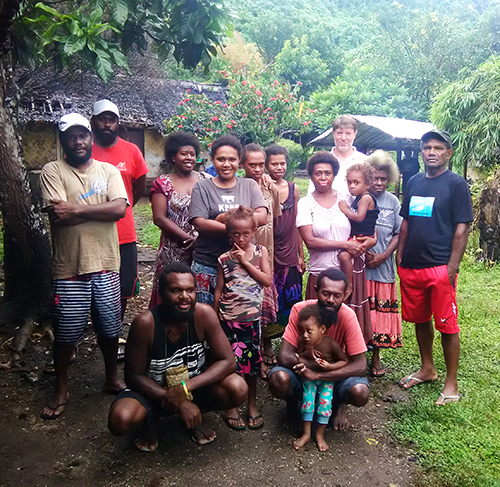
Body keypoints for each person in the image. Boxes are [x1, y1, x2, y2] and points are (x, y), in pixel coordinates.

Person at [39, 113, 128, 419]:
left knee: (108, 329)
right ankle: (61, 388)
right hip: (70, 268)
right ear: (63, 140)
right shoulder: (52, 170)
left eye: (82, 136)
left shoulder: (108, 170)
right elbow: (57, 215)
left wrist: (75, 208)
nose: (78, 142)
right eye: (71, 136)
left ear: (90, 138)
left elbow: (119, 209)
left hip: (105, 264)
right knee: (65, 335)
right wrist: (99, 210)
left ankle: (110, 378)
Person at [108, 262, 248, 451]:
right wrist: (177, 400)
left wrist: (185, 389)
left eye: (190, 290)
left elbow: (228, 361)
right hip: (153, 392)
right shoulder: (145, 323)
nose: (185, 297)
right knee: (120, 419)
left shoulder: (204, 314)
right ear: (162, 292)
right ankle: (152, 420)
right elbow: (133, 377)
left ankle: (194, 418)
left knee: (238, 387)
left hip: (192, 387)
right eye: (176, 290)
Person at [397, 129, 473, 405]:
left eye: (438, 148)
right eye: (427, 147)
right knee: (420, 319)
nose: (431, 152)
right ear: (421, 152)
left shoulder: (456, 184)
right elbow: (406, 221)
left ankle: (450, 384)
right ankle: (427, 368)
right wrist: (400, 255)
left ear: (448, 153)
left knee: (447, 325)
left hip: (440, 267)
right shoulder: (414, 182)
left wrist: (451, 267)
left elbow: (462, 227)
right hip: (412, 266)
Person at [268, 268, 370, 431]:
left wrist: (319, 373)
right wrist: (314, 366)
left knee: (360, 391)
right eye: (326, 293)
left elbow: (361, 365)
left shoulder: (348, 315)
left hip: (333, 378)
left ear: (345, 296)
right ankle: (292, 404)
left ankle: (338, 405)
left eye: (337, 295)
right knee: (278, 378)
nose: (331, 300)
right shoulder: (300, 310)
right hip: (304, 376)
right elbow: (285, 357)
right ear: (316, 291)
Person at [188, 135, 267, 305]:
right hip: (207, 264)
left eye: (232, 159)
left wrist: (224, 219)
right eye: (221, 159)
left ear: (239, 161)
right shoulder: (202, 187)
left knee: (238, 317)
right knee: (206, 316)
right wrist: (240, 228)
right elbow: (199, 223)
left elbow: (262, 216)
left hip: (243, 265)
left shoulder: (249, 185)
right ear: (212, 160)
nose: (226, 164)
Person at [214, 206, 272, 430]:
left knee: (252, 366)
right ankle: (231, 405)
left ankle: (252, 404)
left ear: (254, 230)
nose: (241, 238)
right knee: (231, 365)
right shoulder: (223, 259)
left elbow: (266, 281)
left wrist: (246, 263)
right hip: (229, 320)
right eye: (235, 234)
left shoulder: (260, 253)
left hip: (252, 321)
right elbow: (219, 289)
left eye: (246, 233)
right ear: (229, 233)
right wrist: (215, 315)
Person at [91, 100, 149, 320]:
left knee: (124, 284)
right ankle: (96, 323)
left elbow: (139, 185)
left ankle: (114, 326)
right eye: (102, 119)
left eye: (111, 120)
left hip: (123, 232)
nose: (107, 124)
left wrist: (121, 208)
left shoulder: (131, 150)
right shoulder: (84, 150)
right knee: (93, 280)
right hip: (91, 230)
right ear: (93, 121)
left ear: (117, 123)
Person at [149, 131, 210, 307]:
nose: (189, 157)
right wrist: (188, 238)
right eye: (184, 153)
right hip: (173, 250)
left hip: (203, 250)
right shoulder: (163, 183)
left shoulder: (207, 180)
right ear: (173, 157)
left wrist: (201, 240)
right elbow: (159, 218)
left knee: (199, 293)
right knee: (173, 293)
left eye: (192, 154)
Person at [296, 151, 368, 299]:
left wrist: (368, 242)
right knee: (318, 320)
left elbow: (366, 225)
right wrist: (346, 245)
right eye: (318, 173)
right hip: (321, 273)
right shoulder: (305, 204)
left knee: (345, 320)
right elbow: (310, 241)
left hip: (347, 272)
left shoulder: (346, 198)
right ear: (311, 176)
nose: (323, 177)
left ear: (334, 175)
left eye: (327, 173)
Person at [241, 143, 281, 375]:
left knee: (265, 305)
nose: (257, 169)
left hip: (267, 254)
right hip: (244, 255)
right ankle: (253, 355)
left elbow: (274, 221)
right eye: (252, 164)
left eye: (260, 165)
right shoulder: (237, 187)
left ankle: (266, 345)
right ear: (243, 165)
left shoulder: (271, 188)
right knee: (248, 305)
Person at [365, 151, 403, 377]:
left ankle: (376, 358)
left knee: (380, 314)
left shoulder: (393, 202)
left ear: (389, 179)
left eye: (382, 179)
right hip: (362, 267)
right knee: (362, 311)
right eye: (374, 178)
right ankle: (357, 357)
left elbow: (398, 233)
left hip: (384, 268)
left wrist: (384, 255)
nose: (378, 183)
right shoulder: (359, 198)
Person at [292, 304, 348, 452]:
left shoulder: (329, 344)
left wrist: (329, 367)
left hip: (327, 380)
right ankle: (306, 434)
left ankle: (319, 434)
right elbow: (297, 356)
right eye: (302, 331)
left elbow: (344, 361)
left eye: (309, 331)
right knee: (307, 402)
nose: (305, 335)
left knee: (325, 404)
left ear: (322, 329)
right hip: (309, 379)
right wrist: (305, 357)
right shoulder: (302, 342)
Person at [265, 144, 305, 340]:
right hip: (267, 252)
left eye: (282, 163)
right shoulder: (259, 187)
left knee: (291, 300)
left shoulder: (293, 188)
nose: (279, 167)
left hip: (289, 253)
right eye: (274, 164)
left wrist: (300, 255)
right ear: (266, 165)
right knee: (268, 300)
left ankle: (291, 341)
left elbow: (298, 224)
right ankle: (266, 345)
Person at [338, 162, 379, 343]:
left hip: (363, 236)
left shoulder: (365, 198)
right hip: (360, 234)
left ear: (367, 184)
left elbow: (360, 217)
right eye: (349, 182)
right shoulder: (359, 197)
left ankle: (350, 285)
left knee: (343, 255)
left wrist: (345, 210)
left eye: (356, 183)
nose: (352, 186)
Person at [307, 115, 367, 197]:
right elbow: (311, 193)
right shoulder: (322, 162)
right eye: (339, 133)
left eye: (348, 133)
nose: (343, 138)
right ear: (333, 133)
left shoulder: (365, 161)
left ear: (355, 134)